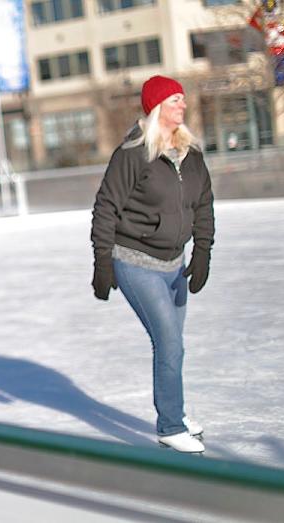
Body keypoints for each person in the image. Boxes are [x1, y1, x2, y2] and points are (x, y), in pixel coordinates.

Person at [90, 75, 214, 454]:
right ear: (158, 106)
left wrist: (203, 251)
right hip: (134, 261)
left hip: (174, 263)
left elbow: (204, 203)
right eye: (175, 100)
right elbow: (106, 207)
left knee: (171, 345)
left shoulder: (191, 155)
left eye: (183, 99)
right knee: (169, 341)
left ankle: (173, 410)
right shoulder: (132, 153)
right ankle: (170, 426)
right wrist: (102, 263)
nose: (183, 106)